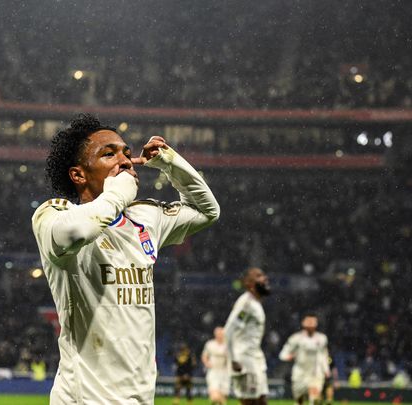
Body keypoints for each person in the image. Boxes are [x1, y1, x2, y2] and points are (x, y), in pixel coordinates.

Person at [32, 113, 220, 404]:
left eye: (127, 153)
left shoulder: (145, 218)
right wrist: (119, 190)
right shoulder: (52, 216)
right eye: (109, 154)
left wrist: (169, 162)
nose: (125, 160)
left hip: (140, 397)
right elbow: (83, 229)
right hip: (85, 398)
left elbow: (208, 211)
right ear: (78, 174)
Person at [224, 267, 270, 405]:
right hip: (244, 359)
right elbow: (228, 331)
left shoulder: (255, 303)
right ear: (249, 283)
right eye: (259, 276)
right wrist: (233, 359)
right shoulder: (246, 303)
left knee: (262, 400)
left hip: (255, 358)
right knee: (250, 402)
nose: (265, 278)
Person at [279, 315, 330, 405]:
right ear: (303, 323)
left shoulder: (322, 338)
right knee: (299, 401)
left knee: (315, 400)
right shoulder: (296, 338)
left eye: (312, 321)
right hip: (300, 374)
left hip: (315, 374)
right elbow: (283, 353)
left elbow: (324, 355)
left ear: (316, 324)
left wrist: (326, 370)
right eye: (308, 321)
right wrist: (289, 356)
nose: (310, 323)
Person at [201, 326, 229, 405]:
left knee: (224, 396)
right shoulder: (210, 344)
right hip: (213, 371)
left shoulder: (228, 345)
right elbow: (204, 356)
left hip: (225, 372)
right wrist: (207, 363)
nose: (219, 335)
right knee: (215, 396)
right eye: (218, 333)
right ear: (215, 334)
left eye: (221, 333)